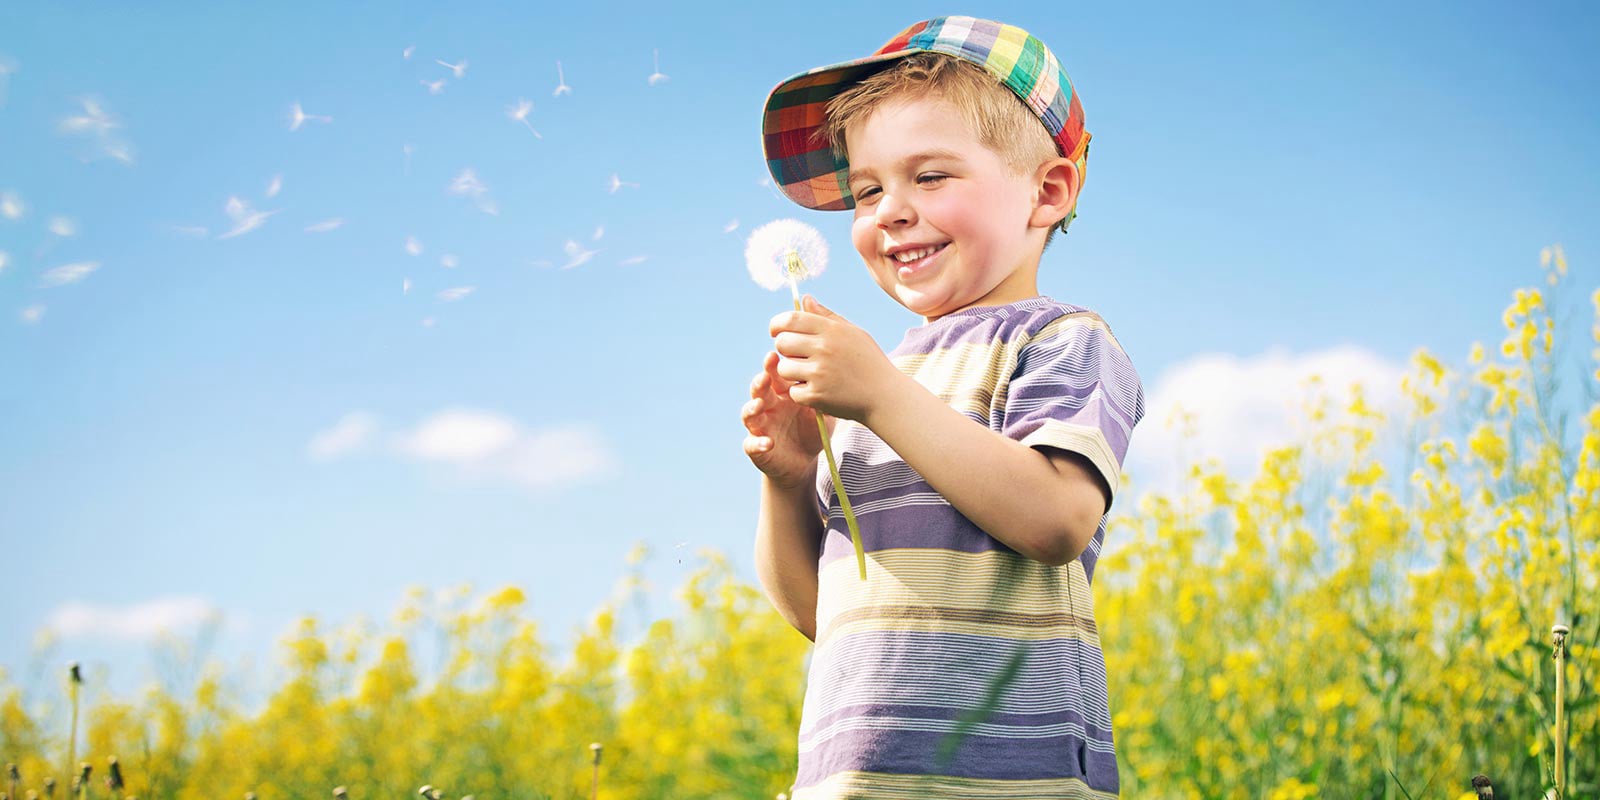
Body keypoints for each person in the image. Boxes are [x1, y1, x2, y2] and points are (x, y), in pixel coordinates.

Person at [741, 15, 1147, 799]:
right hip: (854, 780)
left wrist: (881, 397)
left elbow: (1057, 520)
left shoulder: (1062, 339)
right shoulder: (877, 379)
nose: (891, 209)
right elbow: (819, 615)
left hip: (1010, 779)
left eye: (929, 177)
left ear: (1047, 192)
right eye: (868, 190)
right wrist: (788, 479)